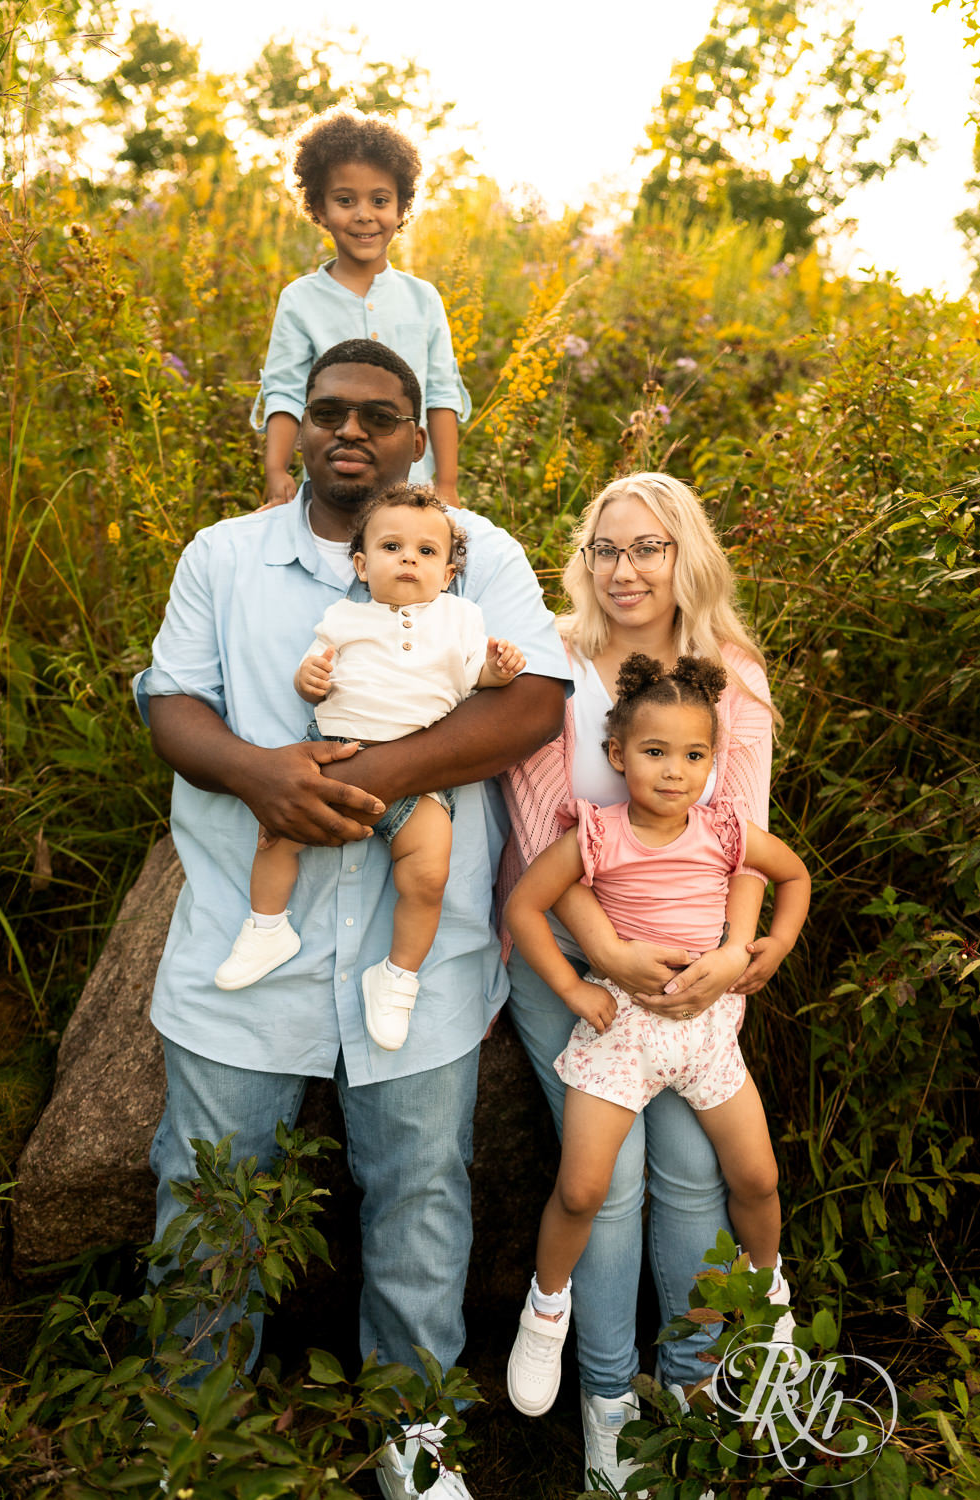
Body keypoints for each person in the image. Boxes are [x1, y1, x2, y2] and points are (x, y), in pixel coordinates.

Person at [134, 337, 569, 1500]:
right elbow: (168, 699)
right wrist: (260, 775)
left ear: (417, 433)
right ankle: (192, 1441)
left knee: (422, 1205)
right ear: (298, 420)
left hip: (411, 960)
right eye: (325, 410)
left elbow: (533, 701)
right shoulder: (224, 558)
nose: (350, 431)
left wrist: (377, 773)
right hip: (245, 942)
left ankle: (412, 1447)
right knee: (205, 1195)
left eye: (379, 415)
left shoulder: (482, 555)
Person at [497, 471, 784, 1490]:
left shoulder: (727, 679)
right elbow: (539, 839)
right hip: (575, 964)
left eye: (647, 548)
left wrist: (728, 962)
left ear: (682, 558)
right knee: (605, 1186)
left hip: (690, 970)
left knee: (697, 1171)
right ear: (585, 562)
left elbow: (741, 848)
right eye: (605, 549)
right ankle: (608, 1405)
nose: (624, 569)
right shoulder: (553, 666)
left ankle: (692, 1392)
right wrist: (606, 957)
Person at [503, 653, 810, 1421]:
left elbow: (795, 876)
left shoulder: (726, 829)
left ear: (713, 762)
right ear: (616, 756)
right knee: (583, 1189)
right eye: (654, 752)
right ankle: (545, 1310)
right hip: (623, 1034)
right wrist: (574, 987)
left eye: (694, 755)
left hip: (707, 1037)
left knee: (757, 1179)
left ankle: (768, 1289)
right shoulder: (598, 836)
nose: (674, 772)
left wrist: (772, 944)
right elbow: (523, 905)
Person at [214, 481, 526, 1055]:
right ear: (361, 564)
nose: (409, 559)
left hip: (422, 778)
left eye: (427, 552)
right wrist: (308, 681)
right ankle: (267, 928)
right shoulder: (344, 616)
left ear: (449, 573)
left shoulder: (460, 619)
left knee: (429, 876)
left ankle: (398, 976)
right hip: (337, 752)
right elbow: (314, 672)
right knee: (280, 836)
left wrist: (499, 670)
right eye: (392, 548)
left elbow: (475, 679)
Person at [251, 106, 469, 506]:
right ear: (319, 208)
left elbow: (441, 395)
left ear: (402, 209)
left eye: (380, 200)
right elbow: (284, 392)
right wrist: (277, 470)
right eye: (346, 200)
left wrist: (448, 484)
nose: (364, 215)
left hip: (411, 492)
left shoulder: (423, 299)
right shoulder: (300, 300)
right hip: (332, 488)